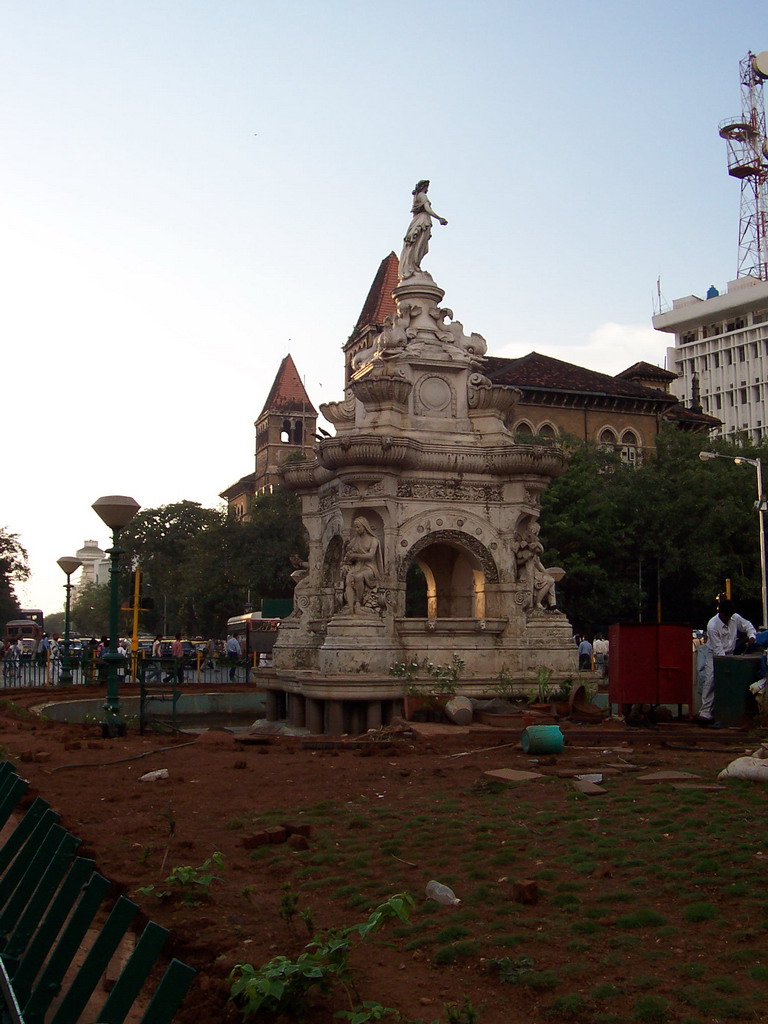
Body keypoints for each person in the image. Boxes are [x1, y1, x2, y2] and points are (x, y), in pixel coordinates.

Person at [697, 599, 757, 727]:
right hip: (714, 655)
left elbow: (748, 626)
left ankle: (728, 710)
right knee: (711, 680)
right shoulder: (712, 625)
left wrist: (751, 636)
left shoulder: (735, 618)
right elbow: (719, 651)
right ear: (722, 613)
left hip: (729, 653)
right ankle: (705, 713)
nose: (728, 618)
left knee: (730, 681)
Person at [398, 180, 448, 280]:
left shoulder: (417, 197)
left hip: (417, 221)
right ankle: (413, 267)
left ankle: (414, 267)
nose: (427, 189)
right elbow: (427, 209)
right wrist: (439, 218)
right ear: (423, 187)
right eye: (427, 187)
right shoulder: (422, 195)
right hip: (422, 221)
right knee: (419, 245)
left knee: (417, 245)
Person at [342, 517, 383, 615]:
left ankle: (358, 602)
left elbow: (370, 556)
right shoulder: (355, 540)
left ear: (364, 527)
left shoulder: (373, 540)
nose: (356, 529)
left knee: (358, 576)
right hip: (358, 565)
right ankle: (351, 607)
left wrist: (355, 555)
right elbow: (347, 551)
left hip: (369, 567)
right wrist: (346, 550)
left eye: (358, 527)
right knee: (348, 579)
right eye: (355, 527)